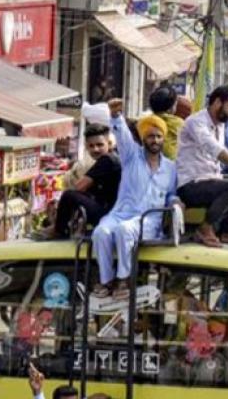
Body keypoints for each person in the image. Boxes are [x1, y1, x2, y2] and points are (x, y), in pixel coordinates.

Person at [92, 101, 179, 298]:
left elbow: (172, 194)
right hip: (121, 213)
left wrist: (176, 203)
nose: (155, 140)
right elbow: (122, 138)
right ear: (143, 138)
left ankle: (124, 280)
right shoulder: (131, 156)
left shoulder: (171, 168)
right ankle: (106, 281)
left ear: (163, 139)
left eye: (158, 136)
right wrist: (116, 116)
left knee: (125, 230)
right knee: (101, 232)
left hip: (150, 220)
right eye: (150, 136)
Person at [176, 86, 228, 248]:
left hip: (212, 180)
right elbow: (216, 150)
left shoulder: (221, 124)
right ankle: (205, 229)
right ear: (217, 103)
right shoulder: (196, 122)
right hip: (191, 185)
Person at [38, 124, 122, 239]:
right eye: (91, 146)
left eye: (99, 145)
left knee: (68, 195)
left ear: (109, 144)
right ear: (86, 147)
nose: (95, 149)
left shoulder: (107, 160)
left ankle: (59, 230)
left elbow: (79, 186)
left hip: (108, 213)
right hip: (112, 211)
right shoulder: (113, 158)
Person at [148, 86, 185, 159]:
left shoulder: (147, 121)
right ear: (170, 108)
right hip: (171, 164)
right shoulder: (178, 123)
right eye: (175, 104)